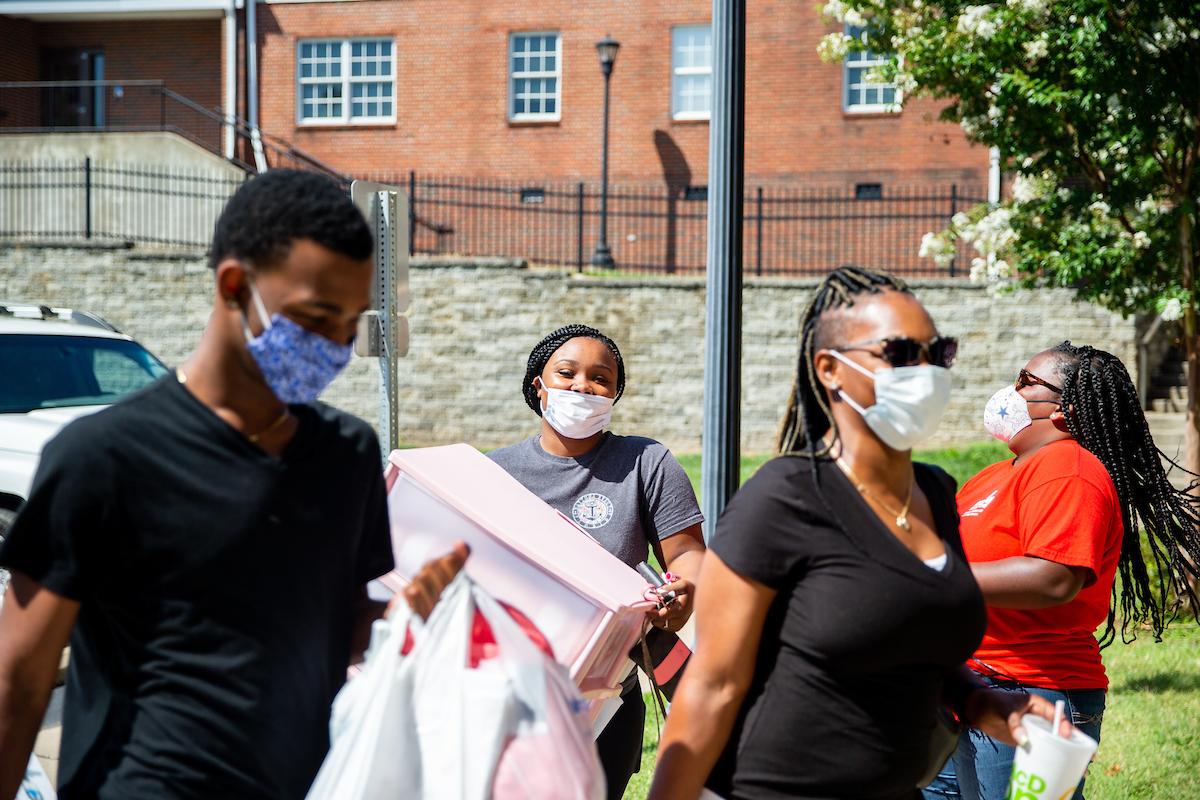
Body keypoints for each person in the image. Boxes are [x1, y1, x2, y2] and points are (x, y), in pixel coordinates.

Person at [0, 169, 467, 800]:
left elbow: (336, 622)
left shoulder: (347, 453)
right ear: (233, 285)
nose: (333, 344)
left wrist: (416, 615)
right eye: (314, 316)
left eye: (349, 322)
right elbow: (20, 678)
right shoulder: (102, 458)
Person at [647, 266, 1069, 800]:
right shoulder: (784, 498)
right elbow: (711, 687)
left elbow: (918, 642)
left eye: (936, 353)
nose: (924, 371)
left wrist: (984, 703)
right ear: (830, 369)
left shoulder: (936, 494)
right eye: (898, 353)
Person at [925, 342, 1200, 800]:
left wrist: (933, 577)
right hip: (968, 688)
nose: (1011, 390)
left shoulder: (1069, 468)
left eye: (1026, 382)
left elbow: (1054, 576)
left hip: (1033, 692)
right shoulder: (995, 477)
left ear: (1064, 409)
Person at [489, 323, 706, 800]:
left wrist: (681, 593)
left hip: (609, 693)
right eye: (566, 373)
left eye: (600, 379)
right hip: (511, 691)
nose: (582, 386)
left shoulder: (646, 462)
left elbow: (688, 554)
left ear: (614, 394)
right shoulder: (496, 472)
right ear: (537, 386)